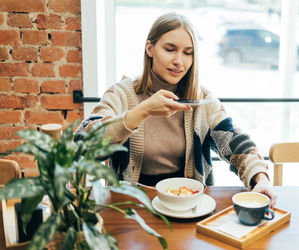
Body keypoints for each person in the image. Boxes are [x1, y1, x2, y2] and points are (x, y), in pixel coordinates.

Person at [76, 12, 277, 208]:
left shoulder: (203, 101)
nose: (179, 61)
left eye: (188, 53)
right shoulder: (120, 94)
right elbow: (82, 145)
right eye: (170, 49)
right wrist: (142, 111)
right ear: (150, 48)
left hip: (189, 207)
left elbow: (235, 144)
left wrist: (260, 178)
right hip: (131, 209)